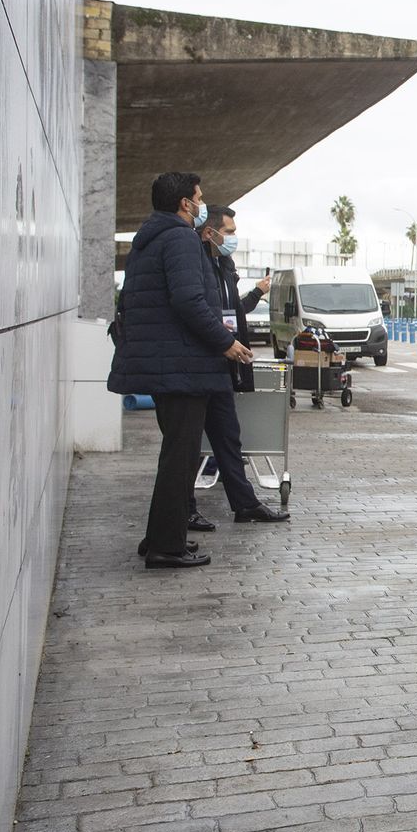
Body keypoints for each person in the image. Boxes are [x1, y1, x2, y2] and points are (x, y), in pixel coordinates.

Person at [108, 173, 253, 568]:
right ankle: (165, 547)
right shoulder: (179, 239)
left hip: (168, 364)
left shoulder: (151, 240)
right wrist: (226, 343)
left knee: (178, 455)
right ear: (185, 204)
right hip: (183, 366)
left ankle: (162, 535)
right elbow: (189, 303)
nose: (202, 204)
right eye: (199, 198)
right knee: (181, 457)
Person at [188, 205, 290, 529]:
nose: (233, 237)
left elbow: (233, 312)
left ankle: (245, 504)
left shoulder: (223, 265)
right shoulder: (196, 264)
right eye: (229, 232)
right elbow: (198, 313)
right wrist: (224, 342)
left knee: (228, 437)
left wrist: (257, 293)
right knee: (187, 443)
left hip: (221, 363)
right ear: (210, 232)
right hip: (199, 363)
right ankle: (183, 509)